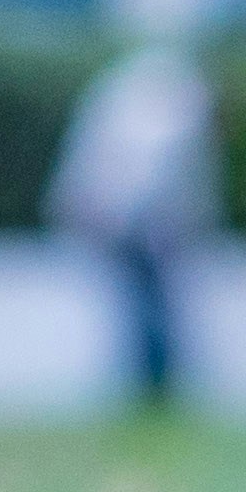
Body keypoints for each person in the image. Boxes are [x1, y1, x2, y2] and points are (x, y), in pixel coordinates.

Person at [48, 37, 219, 417]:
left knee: (141, 306)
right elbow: (157, 173)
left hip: (111, 215)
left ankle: (153, 388)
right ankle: (157, 389)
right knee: (150, 308)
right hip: (128, 222)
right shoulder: (178, 101)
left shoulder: (135, 86)